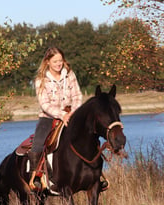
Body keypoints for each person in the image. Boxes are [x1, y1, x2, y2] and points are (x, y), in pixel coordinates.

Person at [28, 47, 108, 192]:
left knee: (91, 137)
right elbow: (44, 103)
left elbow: (77, 96)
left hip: (72, 115)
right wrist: (61, 115)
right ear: (47, 62)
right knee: (38, 143)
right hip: (50, 117)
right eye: (55, 61)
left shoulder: (69, 75)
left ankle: (97, 176)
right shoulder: (41, 80)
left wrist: (73, 114)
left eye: (60, 60)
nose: (59, 64)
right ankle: (37, 177)